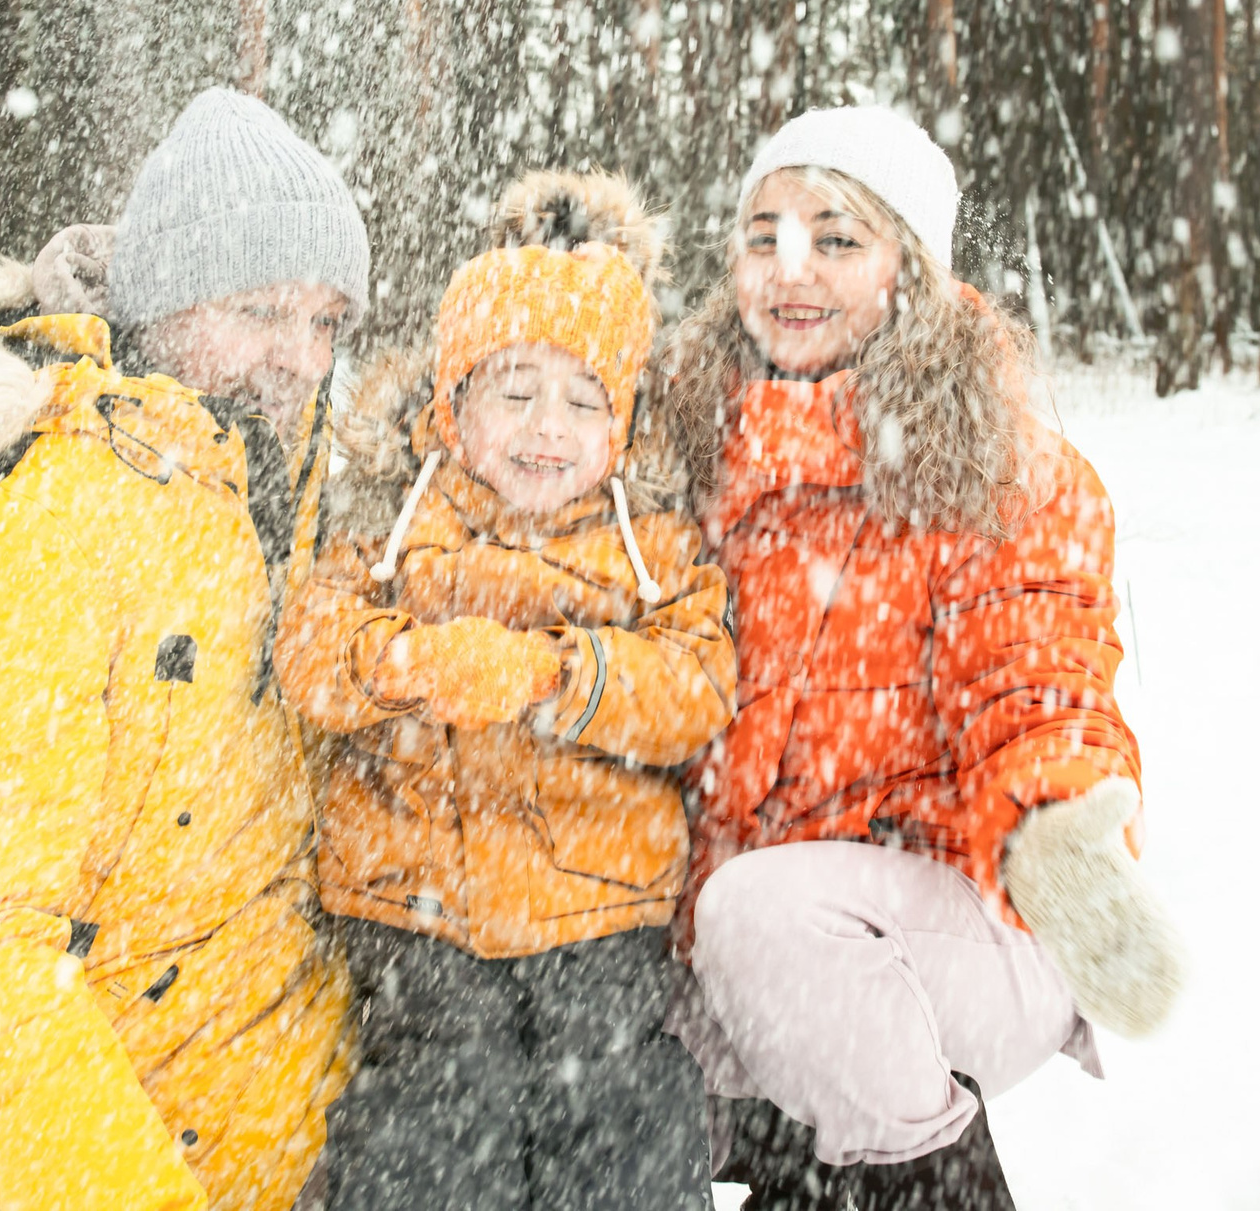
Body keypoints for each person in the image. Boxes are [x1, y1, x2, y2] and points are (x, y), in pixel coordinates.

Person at [0, 87, 369, 1211]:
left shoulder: (263, 478)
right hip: (131, 1158)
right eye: (263, 311)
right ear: (164, 308)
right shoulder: (28, 531)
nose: (302, 361)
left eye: (326, 323)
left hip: (310, 1113)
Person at [656, 107, 1185, 1211]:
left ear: (914, 268)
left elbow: (1032, 673)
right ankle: (815, 1177)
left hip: (969, 922)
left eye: (837, 238)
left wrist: (1058, 827)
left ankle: (931, 1193)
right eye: (762, 235)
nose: (789, 270)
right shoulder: (689, 447)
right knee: (586, 1030)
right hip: (749, 947)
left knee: (763, 916)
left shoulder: (995, 465)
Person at [276, 171, 736, 1211]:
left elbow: (698, 681)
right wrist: (411, 664)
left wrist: (564, 676)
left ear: (620, 425)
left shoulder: (649, 545)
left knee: (619, 1113)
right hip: (414, 903)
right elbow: (312, 647)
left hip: (598, 904)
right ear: (451, 405)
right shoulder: (397, 523)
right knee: (438, 1108)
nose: (546, 429)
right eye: (513, 391)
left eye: (583, 401)